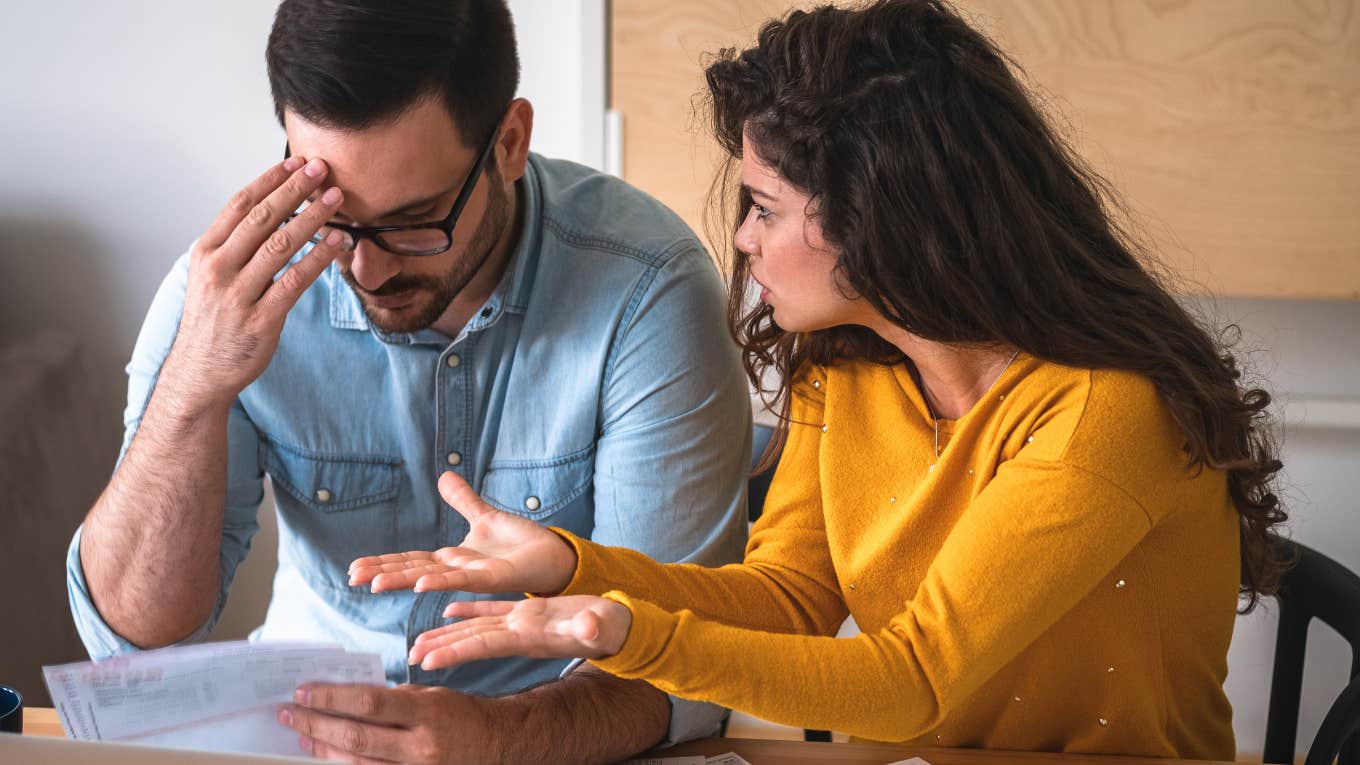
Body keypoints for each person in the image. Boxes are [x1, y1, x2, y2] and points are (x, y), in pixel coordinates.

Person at [348, 0, 1290, 759]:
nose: (744, 237)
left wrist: (622, 632)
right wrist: (570, 564)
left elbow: (910, 679)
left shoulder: (1103, 413)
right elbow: (792, 599)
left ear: (880, 219)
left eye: (763, 206)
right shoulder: (848, 365)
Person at [66, 1, 751, 762]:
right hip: (299, 737)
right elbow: (131, 638)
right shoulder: (225, 291)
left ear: (510, 143)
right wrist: (194, 385)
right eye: (332, 213)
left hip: (552, 744)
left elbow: (682, 669)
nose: (367, 268)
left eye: (415, 220)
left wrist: (493, 738)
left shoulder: (648, 292)